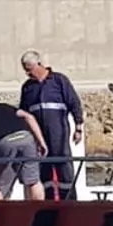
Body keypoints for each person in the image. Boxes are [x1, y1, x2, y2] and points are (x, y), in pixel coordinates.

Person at [18, 50, 86, 200]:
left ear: (39, 65)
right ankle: (48, 201)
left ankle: (69, 200)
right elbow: (23, 113)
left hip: (58, 132)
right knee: (43, 168)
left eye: (29, 69)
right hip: (38, 135)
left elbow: (74, 103)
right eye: (25, 70)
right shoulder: (28, 87)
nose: (28, 73)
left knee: (63, 165)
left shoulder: (59, 80)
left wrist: (78, 126)